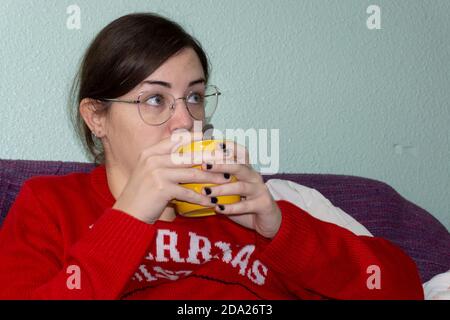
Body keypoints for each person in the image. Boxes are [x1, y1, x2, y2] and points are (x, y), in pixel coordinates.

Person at [0, 13, 424, 300]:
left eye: (195, 96)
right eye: (154, 99)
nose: (185, 120)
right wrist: (129, 218)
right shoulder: (50, 205)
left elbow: (403, 288)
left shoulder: (244, 207)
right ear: (97, 118)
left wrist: (281, 228)